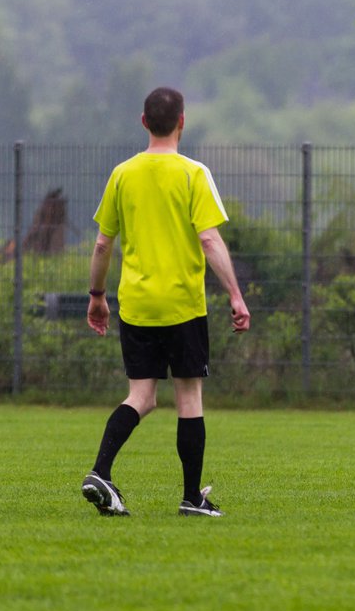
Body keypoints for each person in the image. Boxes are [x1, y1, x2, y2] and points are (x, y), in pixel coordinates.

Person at [81, 87, 251, 518]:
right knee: (189, 397)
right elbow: (209, 239)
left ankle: (101, 471)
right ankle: (192, 497)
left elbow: (103, 244)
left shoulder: (123, 174)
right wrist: (235, 293)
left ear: (143, 122)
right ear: (182, 122)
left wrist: (97, 296)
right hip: (182, 305)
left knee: (141, 395)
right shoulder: (194, 173)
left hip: (136, 305)